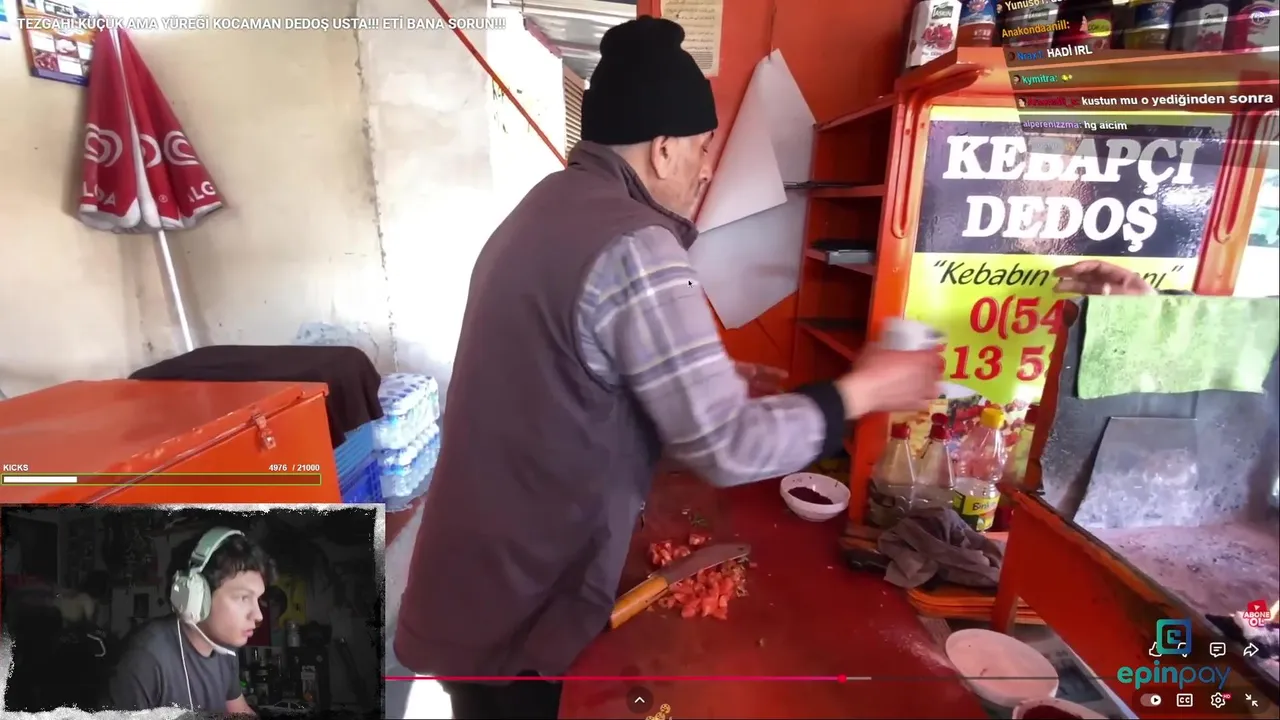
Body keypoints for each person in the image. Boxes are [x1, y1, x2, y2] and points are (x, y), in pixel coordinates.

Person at [394, 16, 944, 720]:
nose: (708, 166)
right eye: (703, 146)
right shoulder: (635, 245)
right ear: (662, 150)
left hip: (468, 577)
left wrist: (701, 382)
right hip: (520, 604)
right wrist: (864, 388)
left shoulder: (544, 207)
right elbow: (726, 446)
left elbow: (564, 374)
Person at [102, 528, 269, 714]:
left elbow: (238, 710)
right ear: (195, 595)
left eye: (257, 599)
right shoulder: (144, 659)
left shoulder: (225, 649)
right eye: (243, 597)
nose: (258, 616)